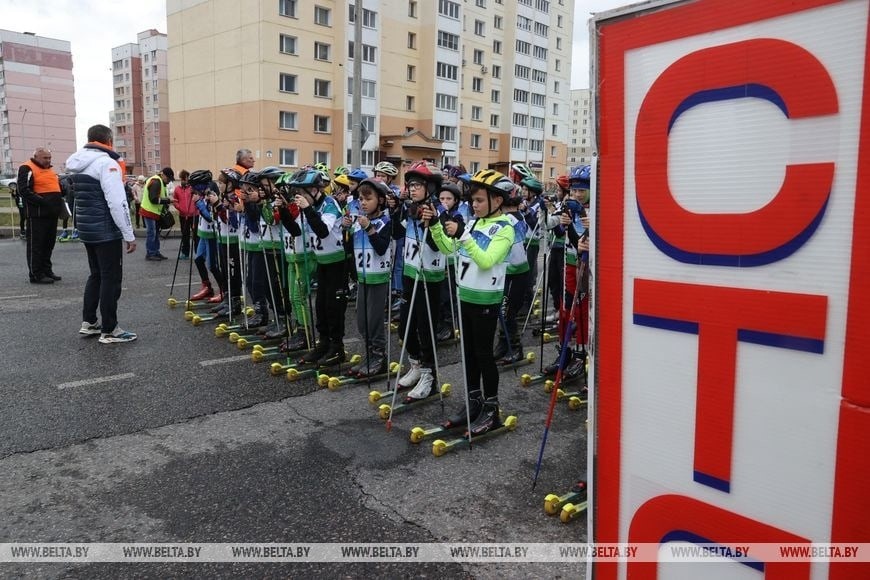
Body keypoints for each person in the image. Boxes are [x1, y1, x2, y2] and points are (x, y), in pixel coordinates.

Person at [425, 169, 515, 435]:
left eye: (479, 201)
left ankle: (491, 409)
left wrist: (463, 233)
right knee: (469, 355)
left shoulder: (506, 227)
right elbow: (448, 251)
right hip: (465, 296)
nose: (473, 206)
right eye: (472, 201)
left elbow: (487, 260)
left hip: (486, 299)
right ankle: (474, 401)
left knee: (484, 355)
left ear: (496, 201)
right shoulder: (474, 223)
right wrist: (436, 226)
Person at [65, 124, 137, 343]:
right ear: (108, 141)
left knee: (96, 275)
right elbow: (117, 202)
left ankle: (89, 322)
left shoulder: (76, 163)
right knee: (111, 279)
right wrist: (128, 234)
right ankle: (110, 329)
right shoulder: (107, 164)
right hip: (105, 230)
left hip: (87, 228)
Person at [390, 161, 445, 403]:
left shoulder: (439, 212)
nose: (412, 189)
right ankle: (415, 365)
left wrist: (430, 222)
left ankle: (429, 376)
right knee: (405, 327)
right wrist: (397, 208)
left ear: (430, 187)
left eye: (418, 185)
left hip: (429, 278)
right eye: (410, 185)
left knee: (426, 329)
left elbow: (437, 246)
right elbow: (395, 232)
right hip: (410, 274)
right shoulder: (411, 208)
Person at [291, 169, 348, 366]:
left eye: (302, 192)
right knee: (321, 306)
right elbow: (296, 231)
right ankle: (323, 343)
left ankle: (337, 347)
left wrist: (307, 209)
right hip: (321, 261)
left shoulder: (329, 204)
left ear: (315, 190)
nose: (299, 197)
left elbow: (323, 231)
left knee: (333, 307)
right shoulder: (311, 206)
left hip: (336, 263)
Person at [342, 178, 393, 377]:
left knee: (374, 320)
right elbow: (349, 249)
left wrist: (369, 229)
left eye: (368, 198)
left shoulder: (385, 222)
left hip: (378, 278)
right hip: (363, 278)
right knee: (362, 322)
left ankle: (379, 357)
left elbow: (381, 248)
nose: (362, 202)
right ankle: (369, 355)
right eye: (361, 199)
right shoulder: (358, 221)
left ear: (380, 200)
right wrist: (346, 228)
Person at [17, 147, 65, 283]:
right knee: (36, 245)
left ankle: (47, 270)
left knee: (48, 244)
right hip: (37, 215)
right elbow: (23, 190)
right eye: (45, 158)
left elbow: (54, 187)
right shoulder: (27, 168)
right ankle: (36, 274)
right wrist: (43, 202)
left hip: (51, 213)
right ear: (36, 157)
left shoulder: (50, 169)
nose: (48, 160)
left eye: (49, 158)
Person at [139, 166, 174, 260]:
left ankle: (155, 251)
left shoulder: (160, 182)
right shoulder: (156, 182)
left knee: (156, 233)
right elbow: (153, 199)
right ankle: (150, 253)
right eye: (168, 178)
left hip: (154, 212)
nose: (169, 181)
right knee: (152, 233)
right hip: (149, 211)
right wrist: (167, 201)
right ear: (163, 175)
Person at [172, 170, 197, 259]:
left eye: (186, 179)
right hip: (183, 216)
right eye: (183, 179)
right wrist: (180, 208)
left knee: (196, 235)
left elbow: (198, 198)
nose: (184, 181)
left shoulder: (192, 188)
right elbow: (175, 201)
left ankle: (198, 253)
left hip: (194, 215)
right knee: (185, 235)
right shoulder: (177, 189)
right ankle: (185, 253)